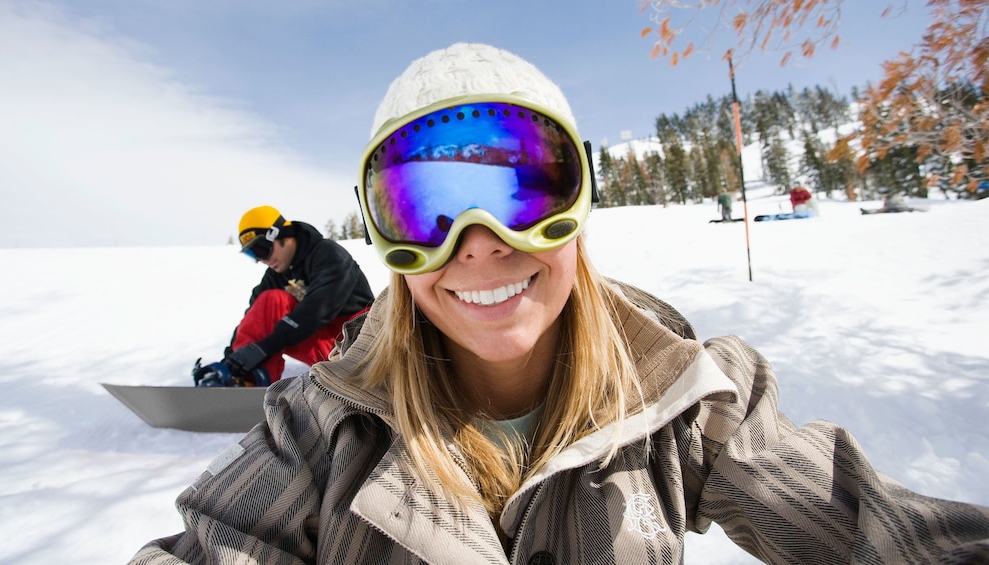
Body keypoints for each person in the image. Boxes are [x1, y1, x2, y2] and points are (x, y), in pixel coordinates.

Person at [131, 43, 989, 563]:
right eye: (424, 206)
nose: (475, 242)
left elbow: (874, 529)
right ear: (385, 233)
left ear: (578, 200)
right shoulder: (320, 430)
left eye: (520, 191)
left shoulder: (688, 399)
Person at [192, 205, 374, 387]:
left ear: (281, 235)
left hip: (360, 344)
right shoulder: (276, 274)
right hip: (325, 346)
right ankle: (246, 380)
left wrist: (264, 347)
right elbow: (252, 319)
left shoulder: (328, 254)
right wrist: (232, 360)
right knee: (269, 302)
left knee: (281, 312)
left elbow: (318, 309)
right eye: (252, 255)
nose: (262, 260)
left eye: (261, 249)